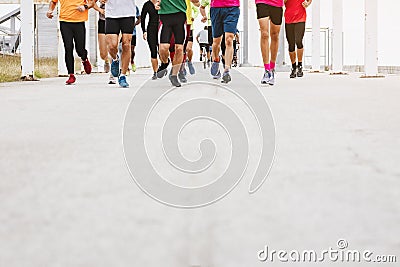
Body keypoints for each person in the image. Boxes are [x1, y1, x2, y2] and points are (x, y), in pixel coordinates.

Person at [46, 0, 94, 85]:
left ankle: (84, 59)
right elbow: (53, 2)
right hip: (64, 21)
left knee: (80, 49)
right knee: (68, 48)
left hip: (79, 22)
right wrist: (50, 10)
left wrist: (85, 7)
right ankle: (71, 75)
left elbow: (91, 3)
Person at [155, 0, 200, 87]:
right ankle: (165, 63)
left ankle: (174, 75)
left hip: (180, 15)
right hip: (165, 16)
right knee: (163, 48)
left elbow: (197, 2)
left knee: (179, 48)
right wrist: (156, 3)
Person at [201, 0, 241, 83]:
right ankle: (215, 60)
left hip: (232, 8)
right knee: (216, 42)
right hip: (216, 8)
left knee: (229, 40)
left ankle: (226, 70)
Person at [102, 0, 136, 88]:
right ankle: (115, 59)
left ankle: (123, 75)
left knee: (126, 44)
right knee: (112, 45)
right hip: (111, 13)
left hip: (128, 13)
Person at [256, 0, 284, 85]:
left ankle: (272, 68)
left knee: (275, 35)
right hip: (262, 2)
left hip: (277, 3)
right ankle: (267, 69)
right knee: (264, 34)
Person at [285, 0, 312, 78]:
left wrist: (307, 3)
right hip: (289, 18)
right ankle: (293, 67)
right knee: (291, 44)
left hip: (300, 17)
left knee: (298, 41)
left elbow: (309, 0)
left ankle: (299, 66)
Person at [93, 2, 117, 84]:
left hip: (117, 20)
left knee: (113, 46)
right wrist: (100, 10)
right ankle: (107, 61)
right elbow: (91, 2)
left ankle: (112, 74)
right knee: (103, 54)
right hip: (103, 21)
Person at [141, 0, 160, 80]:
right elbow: (143, 18)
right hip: (151, 29)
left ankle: (164, 65)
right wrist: (144, 31)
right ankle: (155, 72)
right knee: (153, 51)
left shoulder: (163, 2)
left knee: (162, 50)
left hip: (162, 28)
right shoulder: (147, 4)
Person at [130, 6, 141, 73]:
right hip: (122, 32)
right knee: (124, 49)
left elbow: (139, 19)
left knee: (131, 50)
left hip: (133, 32)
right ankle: (126, 67)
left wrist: (134, 24)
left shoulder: (135, 7)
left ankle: (132, 61)